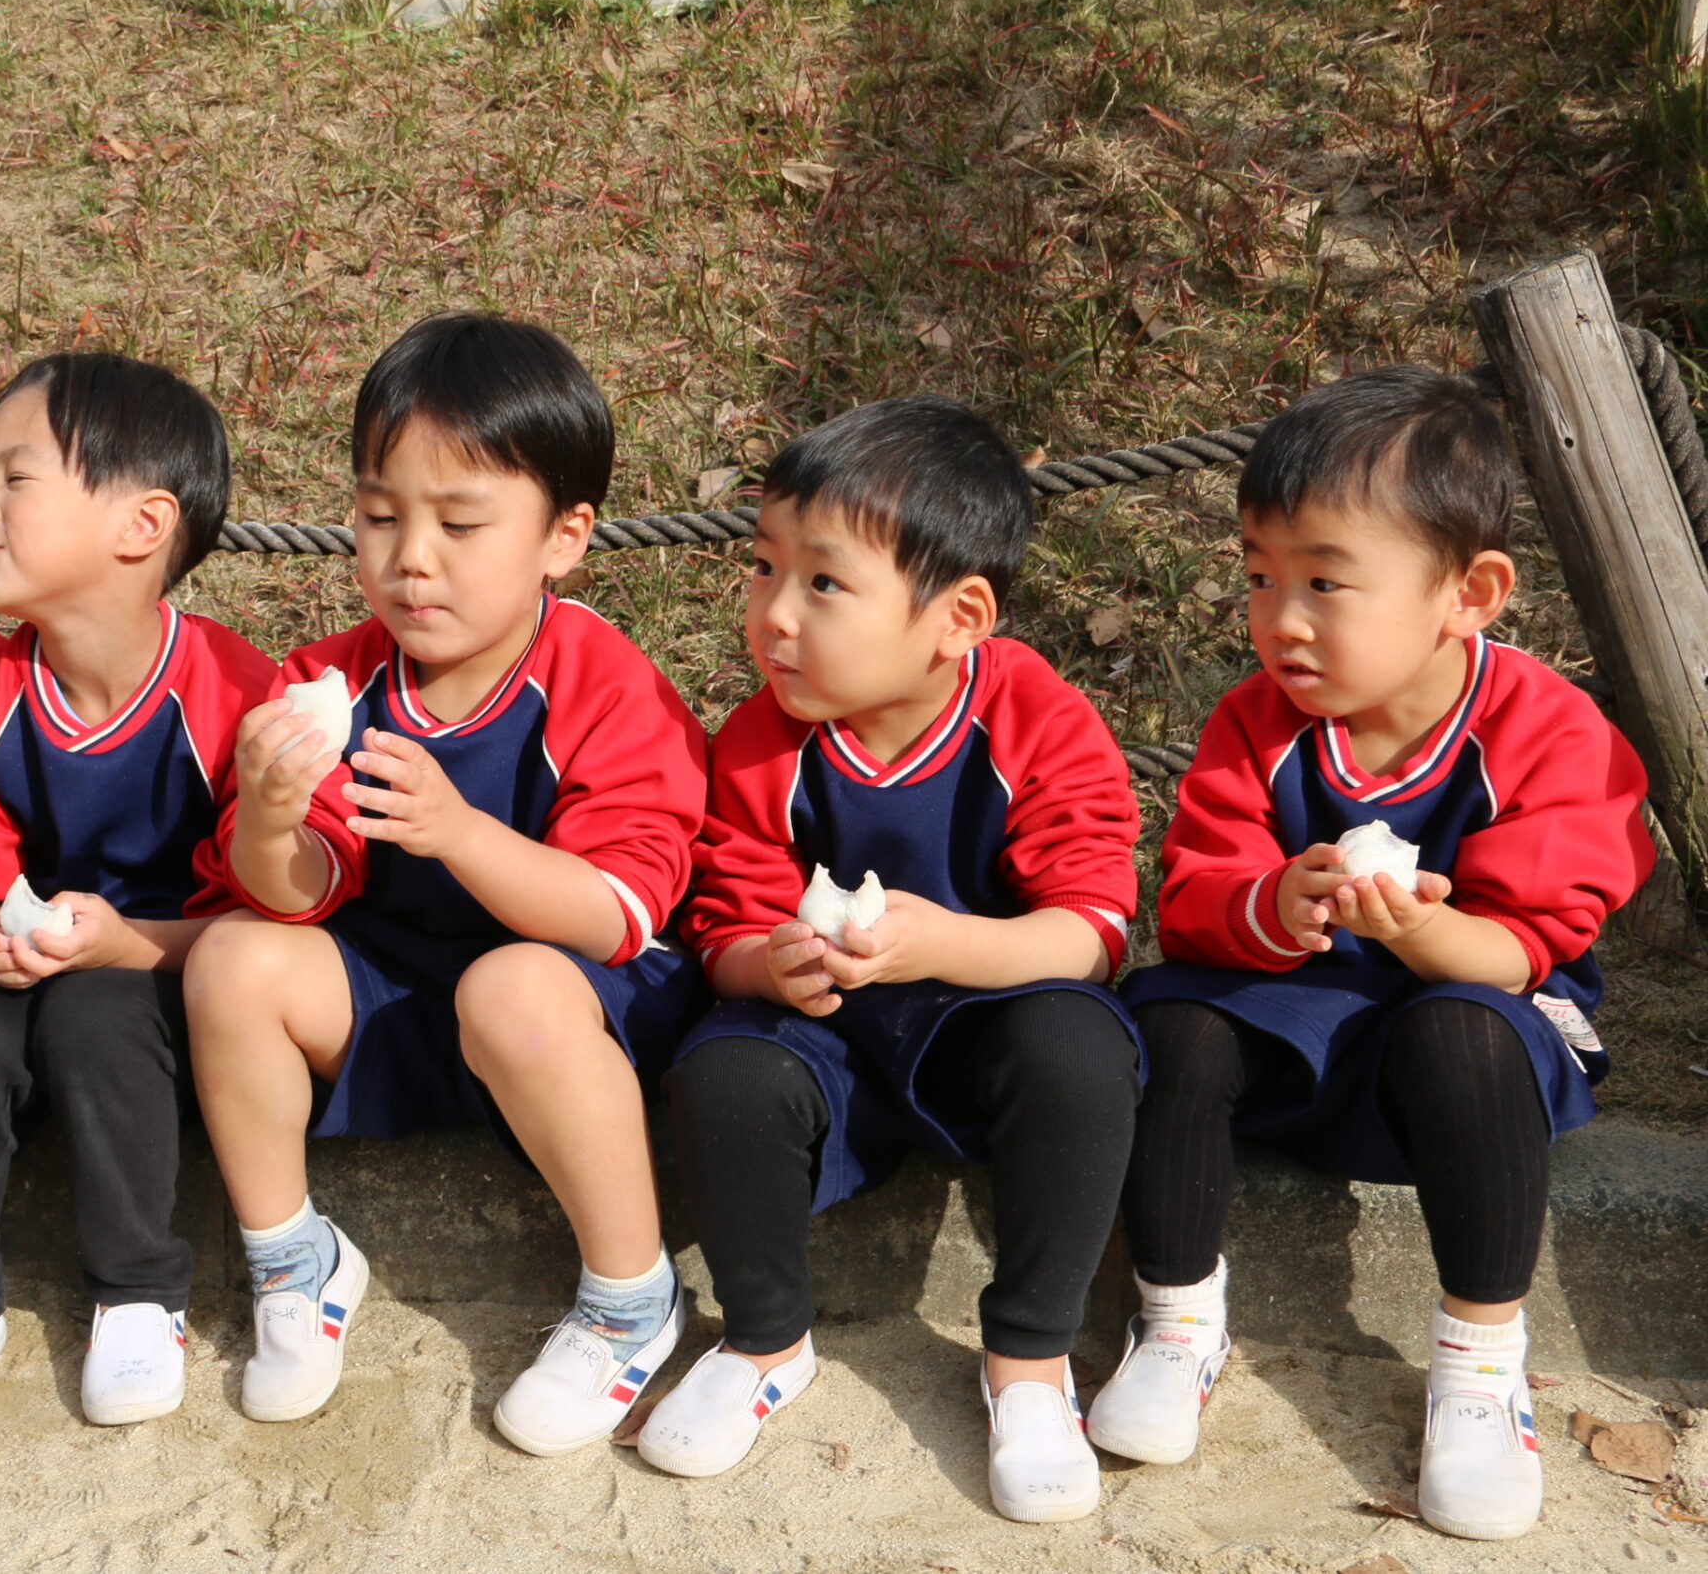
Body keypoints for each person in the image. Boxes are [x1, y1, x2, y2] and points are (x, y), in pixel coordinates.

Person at [1090, 366, 1652, 1542]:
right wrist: (1272, 903)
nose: (1281, 619)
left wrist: (1419, 928)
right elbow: (1191, 902)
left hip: (1478, 1023)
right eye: (1260, 577)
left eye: (1324, 582)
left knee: (1460, 1029)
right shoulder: (1254, 725)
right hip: (1297, 1013)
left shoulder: (1548, 731)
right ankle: (1177, 1321)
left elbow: (1527, 944)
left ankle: (1478, 1369)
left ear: (1468, 593)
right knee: (1169, 1021)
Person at [185, 313, 706, 1454]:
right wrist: (268, 814)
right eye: (380, 517)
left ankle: (631, 1296)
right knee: (232, 957)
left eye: (460, 523)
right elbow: (293, 894)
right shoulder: (329, 677)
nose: (411, 556)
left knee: (512, 986)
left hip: (574, 1011)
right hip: (402, 997)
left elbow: (617, 913)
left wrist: (462, 832)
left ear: (563, 537)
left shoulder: (604, 681)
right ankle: (291, 1257)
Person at [645, 399, 1142, 1522]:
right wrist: (768, 966)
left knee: (1080, 1046)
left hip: (986, 1023)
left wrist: (942, 942)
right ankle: (764, 1339)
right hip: (825, 1034)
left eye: (823, 583)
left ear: (958, 617)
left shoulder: (1031, 716)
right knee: (723, 1070)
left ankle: (1030, 1360)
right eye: (763, 567)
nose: (774, 614)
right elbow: (722, 926)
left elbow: (1092, 928)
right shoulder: (761, 742)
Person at [0, 352, 272, 1443]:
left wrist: (128, 944)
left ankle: (139, 1291)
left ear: (142, 524)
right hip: (21, 963)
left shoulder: (232, 690)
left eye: (14, 480)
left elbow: (266, 918)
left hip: (163, 975)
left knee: (95, 1018)